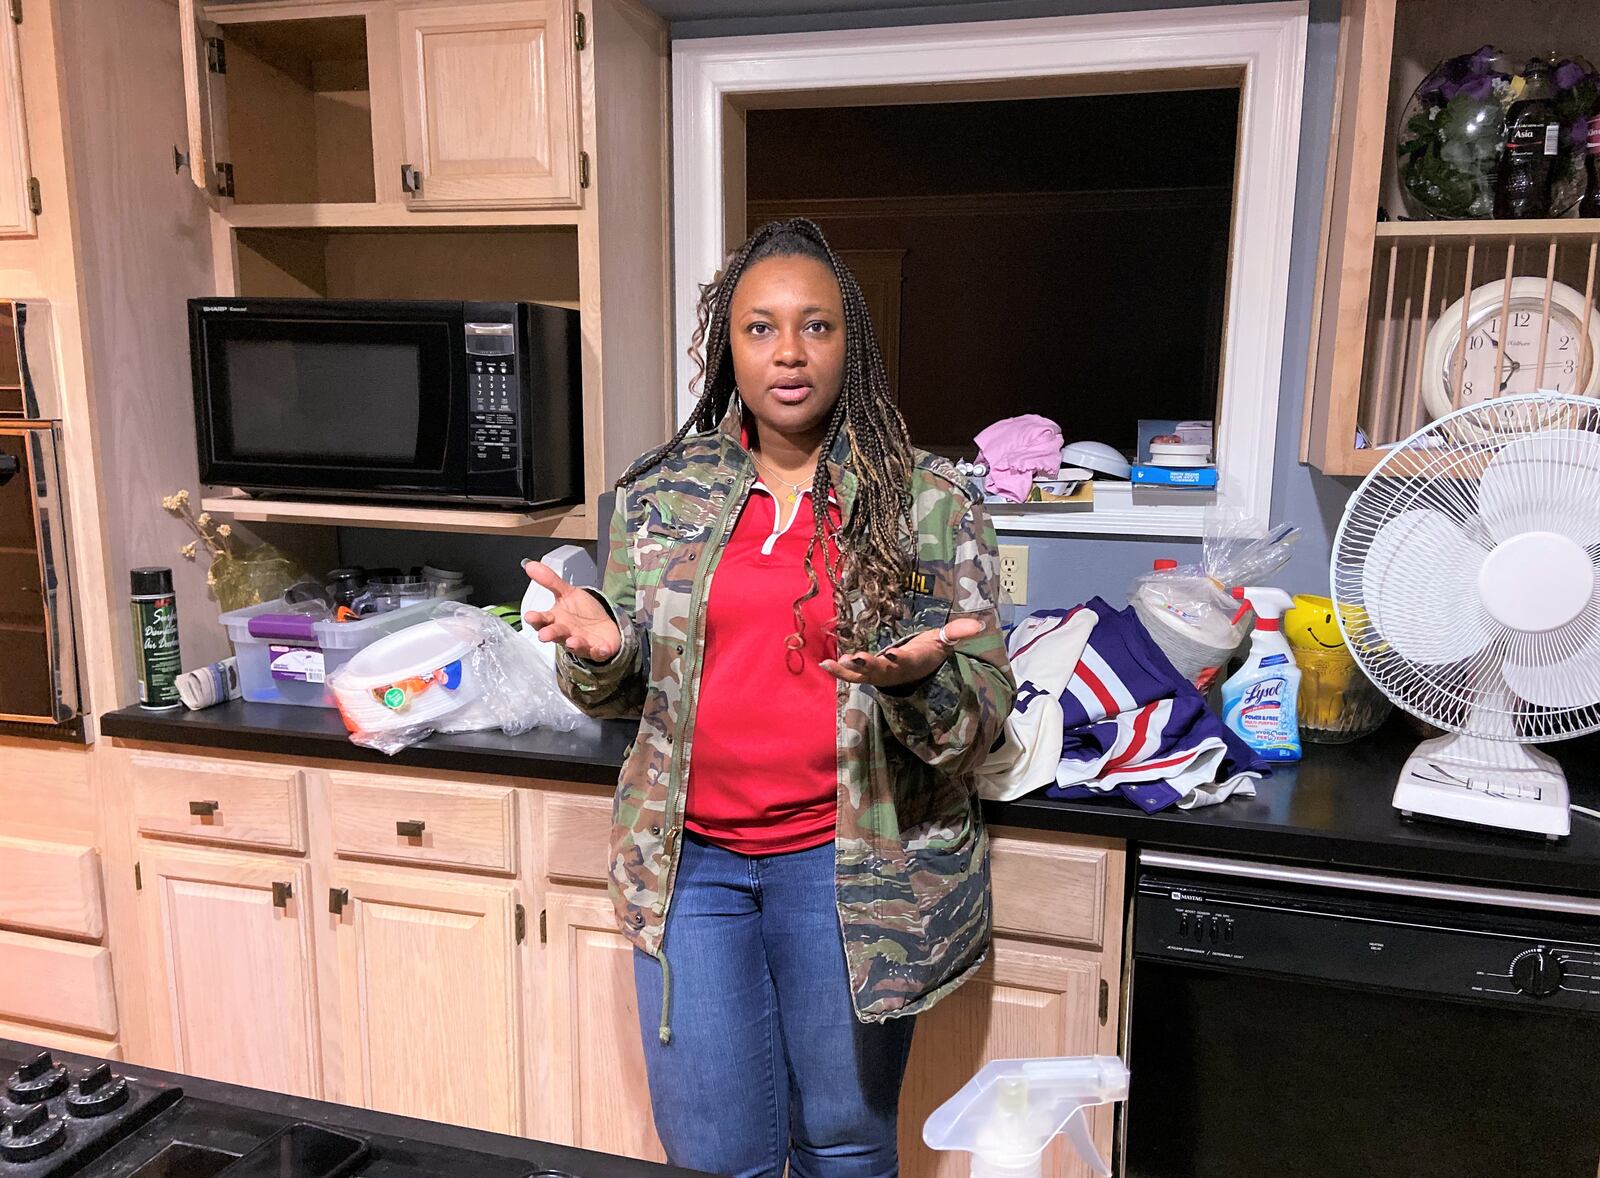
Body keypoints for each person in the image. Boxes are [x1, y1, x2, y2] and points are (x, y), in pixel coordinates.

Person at [524, 218, 1015, 1178]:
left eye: (816, 327)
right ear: (728, 347)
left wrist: (924, 682)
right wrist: (602, 647)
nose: (789, 352)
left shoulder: (927, 503)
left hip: (848, 873)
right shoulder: (661, 496)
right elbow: (620, 692)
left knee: (842, 1142)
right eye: (760, 328)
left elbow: (980, 720)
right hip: (692, 866)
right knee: (714, 1155)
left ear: (852, 344)